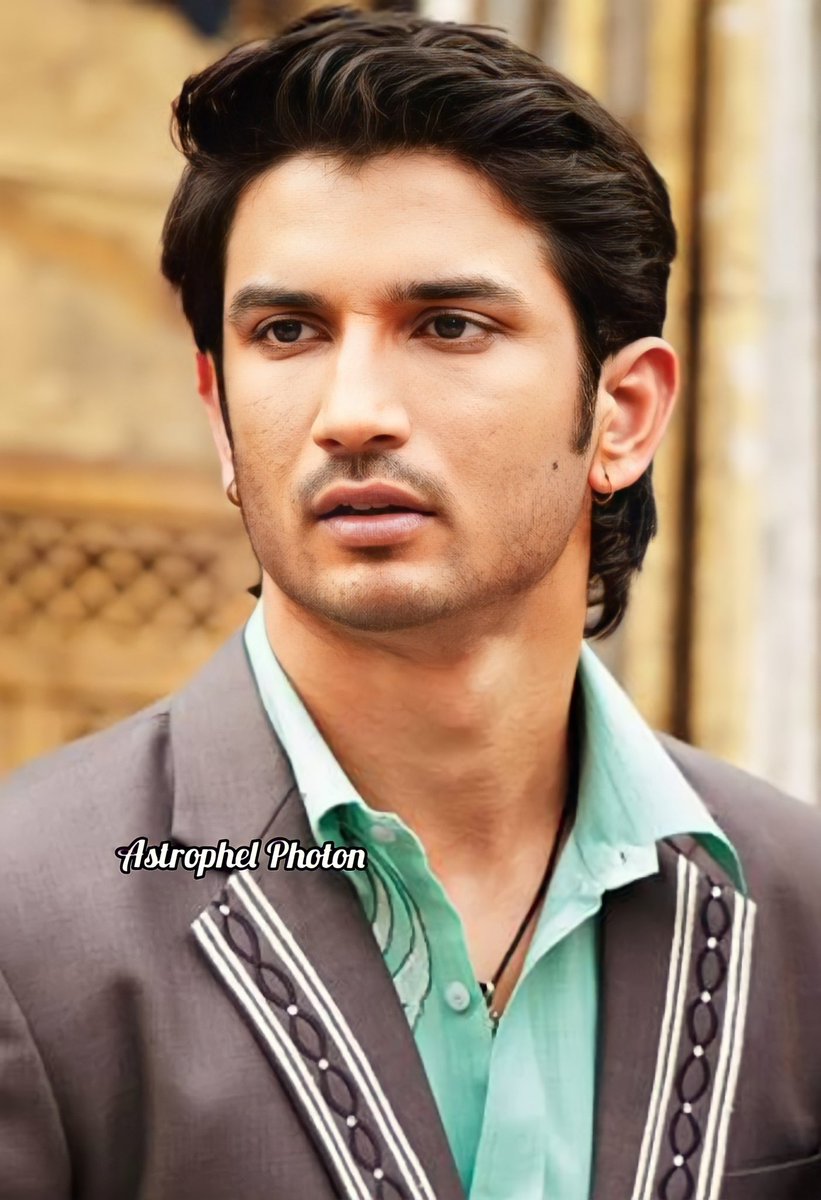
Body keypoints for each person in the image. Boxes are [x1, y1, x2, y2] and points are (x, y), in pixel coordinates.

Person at [0, 6, 818, 1199]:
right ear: (219, 416)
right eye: (287, 331)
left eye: (447, 325)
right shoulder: (27, 912)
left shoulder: (793, 908)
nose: (352, 413)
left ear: (622, 415)